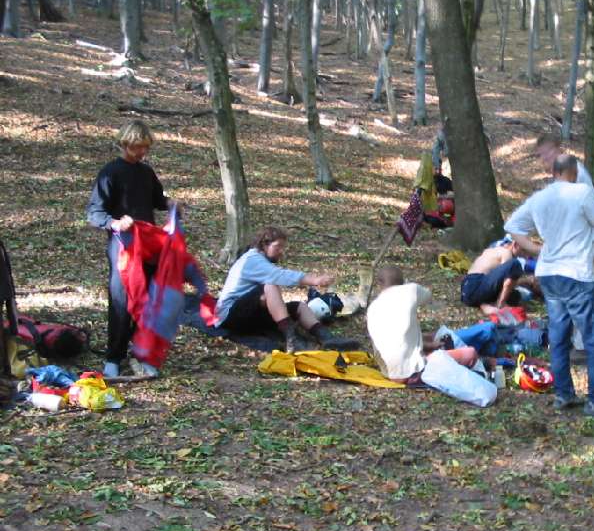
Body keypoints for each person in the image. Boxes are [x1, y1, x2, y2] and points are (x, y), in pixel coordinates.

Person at [505, 154, 594, 417]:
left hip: (549, 274)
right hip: (576, 273)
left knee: (558, 337)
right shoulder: (581, 193)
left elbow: (512, 226)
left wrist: (537, 248)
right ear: (574, 172)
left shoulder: (540, 197)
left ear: (554, 172)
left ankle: (564, 394)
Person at [87, 120, 180, 378]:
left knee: (149, 300)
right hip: (123, 247)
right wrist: (115, 222)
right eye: (138, 147)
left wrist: (171, 203)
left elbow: (157, 199)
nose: (142, 152)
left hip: (149, 246)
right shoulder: (110, 173)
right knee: (122, 300)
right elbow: (95, 212)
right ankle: (113, 357)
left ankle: (141, 352)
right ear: (125, 143)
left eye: (146, 148)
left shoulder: (146, 172)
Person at [215, 226, 357, 352]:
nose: (281, 251)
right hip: (230, 316)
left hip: (249, 315)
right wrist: (314, 280)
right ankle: (292, 339)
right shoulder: (252, 259)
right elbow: (279, 275)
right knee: (270, 285)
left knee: (299, 307)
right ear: (264, 244)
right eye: (278, 247)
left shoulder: (259, 260)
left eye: (283, 247)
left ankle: (327, 338)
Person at [534, 133, 594, 343]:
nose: (544, 160)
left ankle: (587, 344)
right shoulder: (564, 175)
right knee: (586, 292)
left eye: (546, 154)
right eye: (540, 156)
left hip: (591, 240)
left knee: (582, 292)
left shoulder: (575, 174)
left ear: (557, 150)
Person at [367, 266, 478, 383]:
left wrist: (429, 345)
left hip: (389, 373)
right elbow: (428, 296)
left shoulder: (372, 308)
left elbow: (396, 340)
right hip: (411, 373)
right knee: (470, 353)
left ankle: (434, 349)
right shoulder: (411, 290)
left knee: (427, 336)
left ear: (379, 283)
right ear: (403, 281)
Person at [461, 239, 525, 314]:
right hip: (476, 285)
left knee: (515, 295)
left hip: (466, 291)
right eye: (523, 250)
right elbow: (506, 281)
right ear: (515, 244)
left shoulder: (491, 250)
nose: (524, 254)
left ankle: (482, 303)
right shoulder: (507, 253)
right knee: (515, 264)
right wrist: (527, 281)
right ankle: (499, 304)